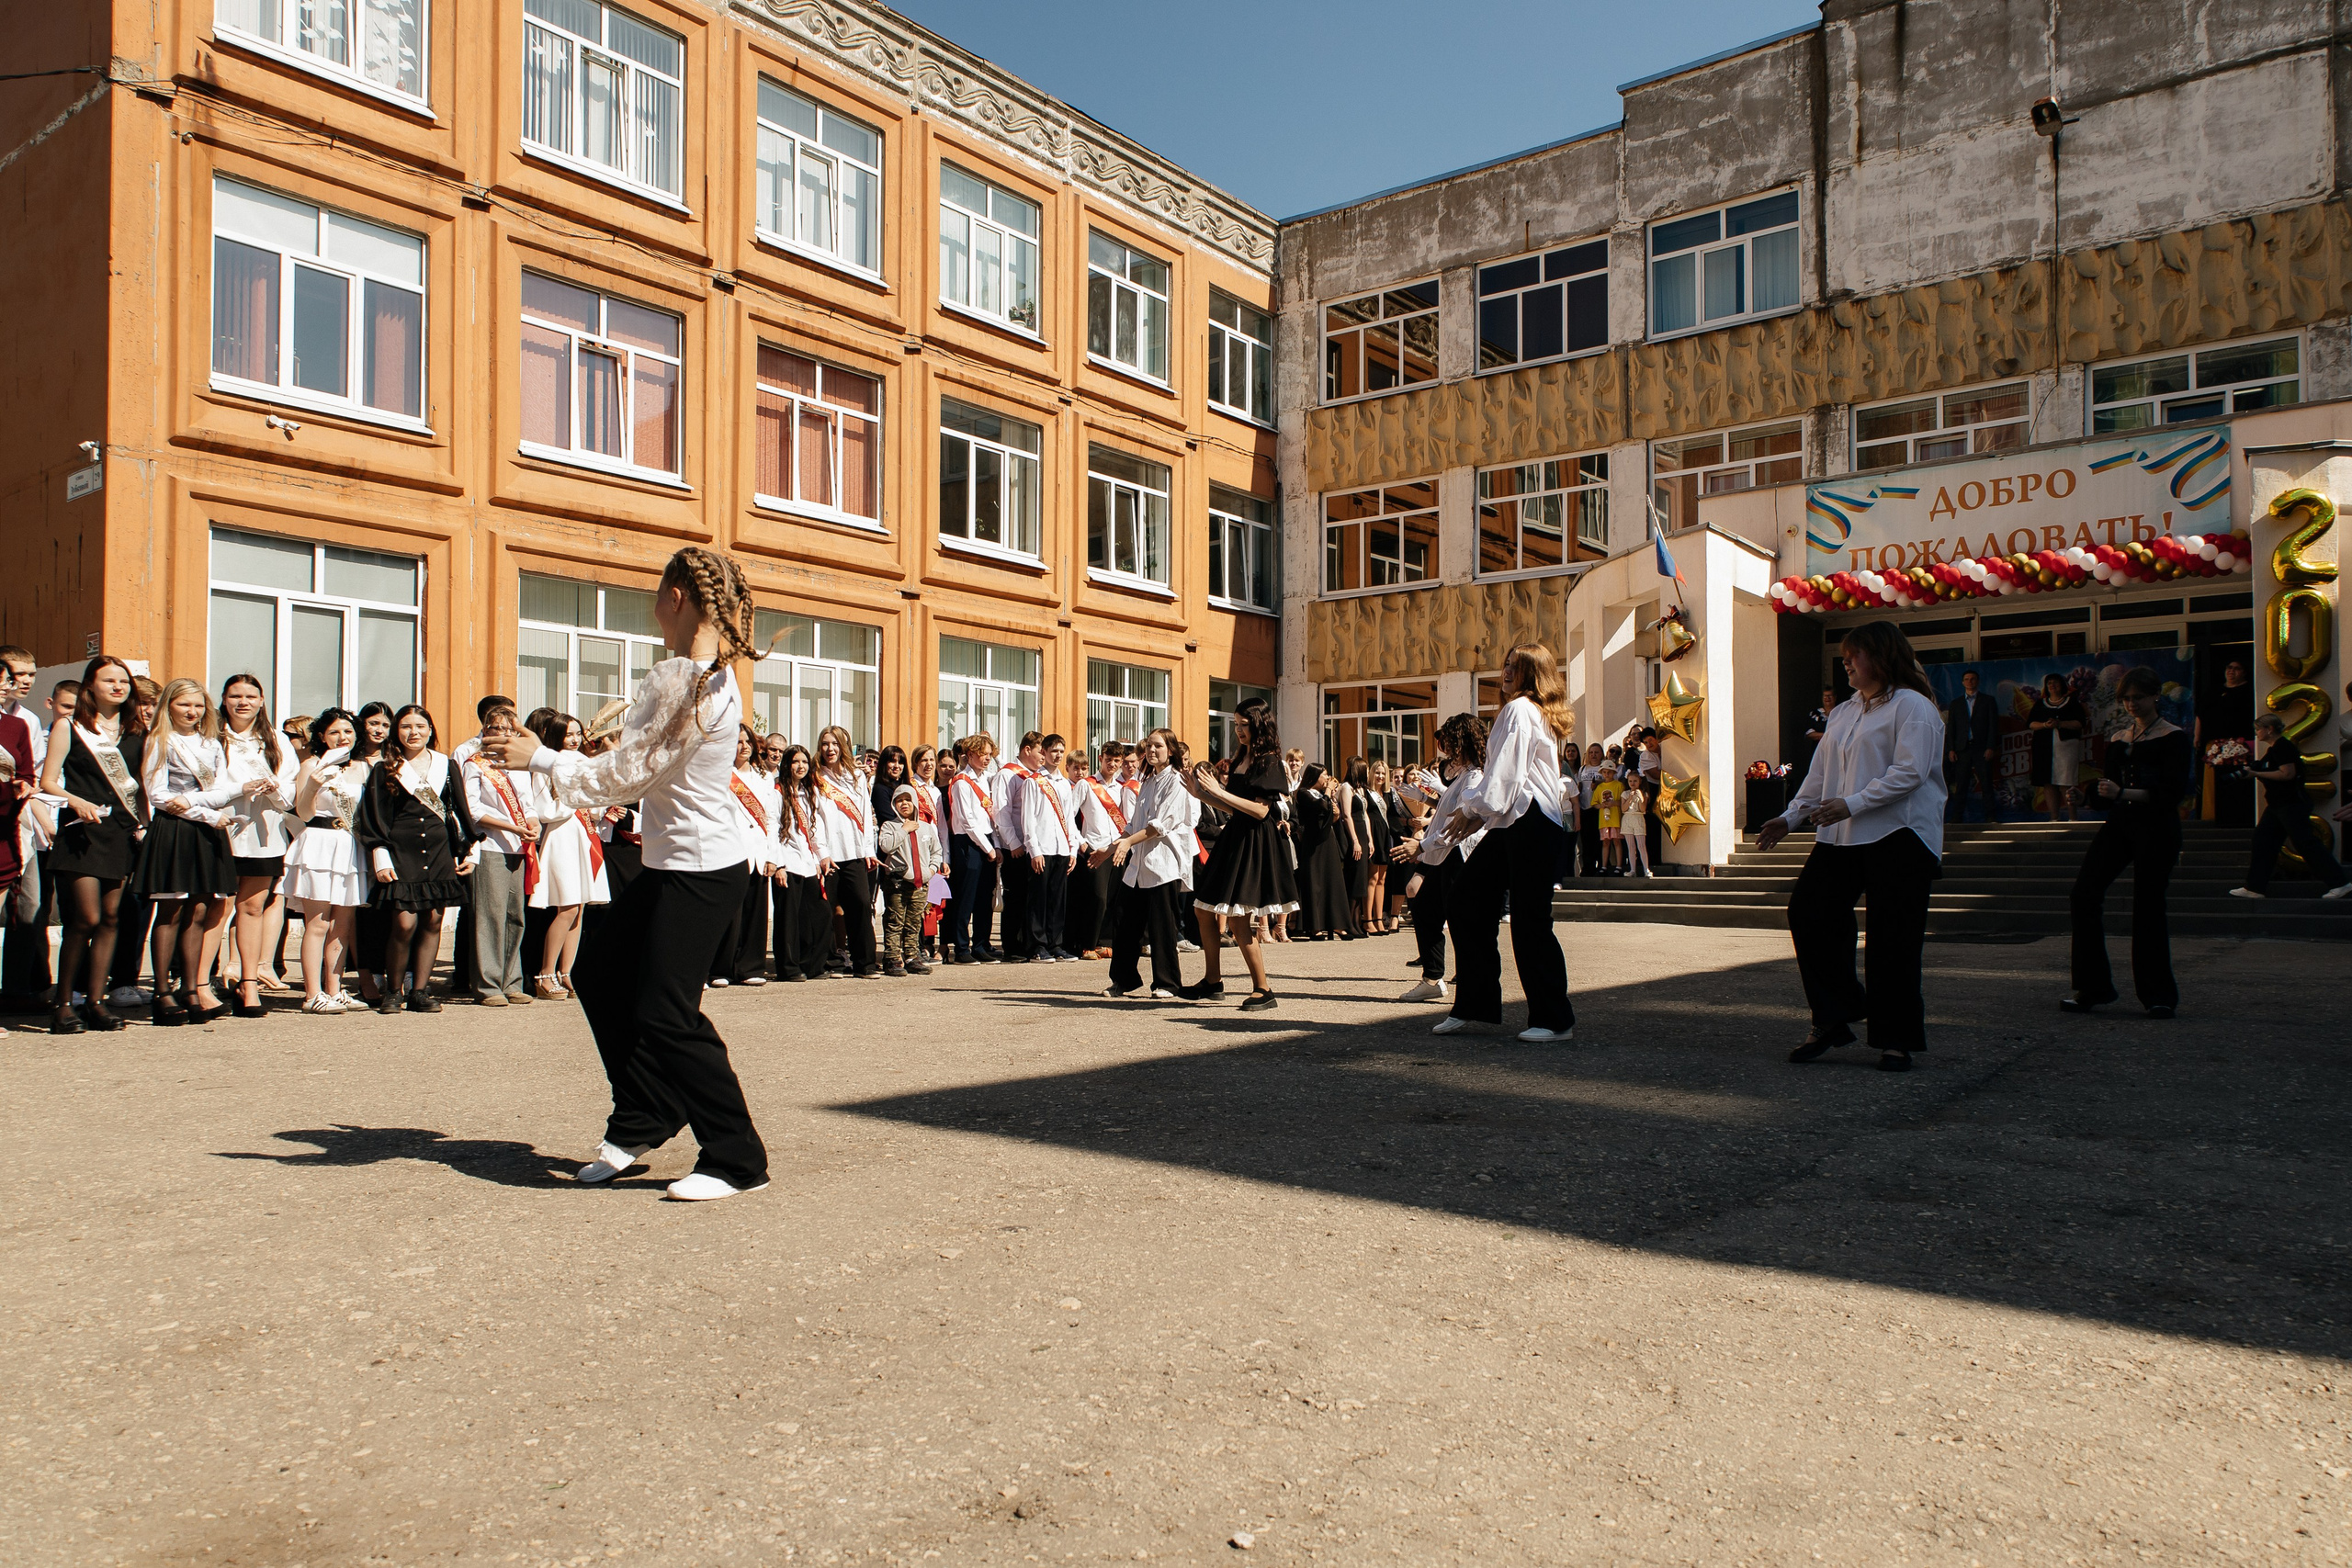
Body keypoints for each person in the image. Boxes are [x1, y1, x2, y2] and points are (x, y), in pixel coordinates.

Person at [487, 545, 773, 1201]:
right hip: (675, 859)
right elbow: (640, 769)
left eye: (657, 588)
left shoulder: (685, 679)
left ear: (676, 594)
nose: (652, 601)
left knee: (667, 1009)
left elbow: (624, 775)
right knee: (599, 966)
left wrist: (542, 759)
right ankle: (645, 1113)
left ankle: (736, 1155)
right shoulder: (701, 676)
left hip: (700, 868)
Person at [1761, 620, 1948, 1069]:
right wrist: (1790, 817)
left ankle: (1896, 1038)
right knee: (1809, 912)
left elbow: (1910, 773)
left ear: (1881, 657)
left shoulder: (1913, 708)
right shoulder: (1843, 712)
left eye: (1853, 655)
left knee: (1893, 939)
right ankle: (1835, 1016)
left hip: (1900, 835)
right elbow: (1819, 778)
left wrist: (1853, 803)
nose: (1845, 663)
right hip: (1841, 834)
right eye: (1844, 656)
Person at [1431, 643, 1576, 1043]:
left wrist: (1472, 809)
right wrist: (1480, 811)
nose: (1507, 670)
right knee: (1466, 902)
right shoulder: (1527, 712)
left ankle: (1554, 1018)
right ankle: (1475, 1004)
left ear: (1534, 673)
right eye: (1506, 663)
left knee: (1529, 920)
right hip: (1515, 822)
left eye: (1517, 666)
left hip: (1528, 822)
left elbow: (1506, 777)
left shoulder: (1520, 710)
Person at [2065, 665, 2191, 1018]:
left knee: (2149, 905)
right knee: (2084, 893)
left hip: (2158, 827)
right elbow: (2109, 791)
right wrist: (2086, 796)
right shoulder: (2121, 739)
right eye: (2126, 699)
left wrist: (2124, 793)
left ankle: (2158, 995)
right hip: (2121, 824)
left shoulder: (2173, 737)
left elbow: (2172, 793)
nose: (2132, 704)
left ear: (2155, 696)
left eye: (2138, 697)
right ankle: (2093, 986)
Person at [130, 678, 250, 1025]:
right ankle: (162, 991)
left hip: (206, 832)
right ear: (169, 705)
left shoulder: (211, 744)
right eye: (184, 704)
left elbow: (222, 790)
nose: (192, 712)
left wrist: (210, 811)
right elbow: (158, 794)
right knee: (170, 910)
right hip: (175, 829)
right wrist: (207, 814)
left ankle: (190, 987)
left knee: (200, 908)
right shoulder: (159, 740)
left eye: (198, 705)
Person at [41, 657, 146, 1033]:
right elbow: (48, 781)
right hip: (81, 832)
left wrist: (143, 824)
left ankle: (97, 1003)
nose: (118, 687)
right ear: (91, 686)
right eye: (109, 680)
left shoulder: (136, 732)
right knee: (84, 919)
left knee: (112, 918)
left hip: (120, 833)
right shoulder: (69, 727)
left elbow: (141, 785)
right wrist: (75, 800)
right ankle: (65, 1003)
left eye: (123, 681)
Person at [354, 704, 476, 1015]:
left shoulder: (445, 765)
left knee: (433, 920)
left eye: (420, 726)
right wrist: (380, 855)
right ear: (397, 731)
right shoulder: (386, 768)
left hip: (439, 852)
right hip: (400, 851)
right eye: (406, 726)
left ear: (430, 730)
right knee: (404, 923)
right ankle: (394, 991)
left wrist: (469, 850)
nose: (414, 732)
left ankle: (420, 991)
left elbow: (459, 810)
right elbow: (374, 815)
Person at [1181, 697, 1296, 1010]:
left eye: (1243, 725)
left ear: (1259, 724)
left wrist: (1218, 791)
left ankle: (1264, 989)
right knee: (1203, 910)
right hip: (1236, 836)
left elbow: (1261, 811)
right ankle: (1212, 981)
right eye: (1235, 725)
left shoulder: (1269, 760)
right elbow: (1233, 806)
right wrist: (1203, 794)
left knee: (1238, 918)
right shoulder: (1242, 755)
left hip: (1254, 841)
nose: (1238, 731)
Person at [1393, 713, 1487, 1004]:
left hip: (1457, 855)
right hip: (1442, 853)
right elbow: (1450, 811)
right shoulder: (1464, 774)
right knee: (1423, 905)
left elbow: (1460, 825)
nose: (1444, 748)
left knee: (1459, 918)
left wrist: (1420, 847)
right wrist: (1427, 799)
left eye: (1448, 741)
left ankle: (1472, 987)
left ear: (1462, 742)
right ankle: (1433, 979)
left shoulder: (1474, 776)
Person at [217, 673, 298, 1011]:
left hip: (264, 834)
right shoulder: (213, 738)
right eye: (235, 695)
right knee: (216, 910)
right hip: (221, 832)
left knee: (252, 907)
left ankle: (249, 983)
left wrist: (274, 788)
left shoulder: (276, 739)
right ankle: (202, 982)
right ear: (224, 699)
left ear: (262, 701)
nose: (243, 702)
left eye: (251, 696)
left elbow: (291, 786)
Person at [283, 710, 369, 1013]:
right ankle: (312, 994)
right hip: (319, 844)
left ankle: (335, 990)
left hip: (349, 847)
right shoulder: (311, 764)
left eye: (347, 731)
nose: (342, 737)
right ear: (322, 736)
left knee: (342, 926)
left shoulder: (362, 767)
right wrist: (311, 786)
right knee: (317, 924)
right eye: (334, 732)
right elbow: (303, 813)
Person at [461, 703, 540, 1008]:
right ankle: (487, 984)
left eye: (510, 729)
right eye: (498, 728)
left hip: (519, 846)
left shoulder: (518, 764)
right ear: (485, 730)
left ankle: (512, 981)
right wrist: (511, 826)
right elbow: (473, 810)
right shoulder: (474, 763)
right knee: (489, 916)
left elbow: (528, 804)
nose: (504, 734)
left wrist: (530, 824)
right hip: (491, 846)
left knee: (515, 915)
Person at [527, 709, 610, 995]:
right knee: (567, 906)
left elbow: (597, 804)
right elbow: (544, 810)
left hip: (585, 835)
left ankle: (567, 972)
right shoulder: (544, 765)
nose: (574, 739)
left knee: (581, 907)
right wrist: (575, 799)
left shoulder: (584, 761)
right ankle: (545, 974)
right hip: (562, 834)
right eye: (567, 734)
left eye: (577, 733)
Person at [1104, 728, 1192, 998]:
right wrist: (1108, 850)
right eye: (1149, 747)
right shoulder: (1148, 782)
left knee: (1162, 926)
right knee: (1125, 921)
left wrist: (1129, 843)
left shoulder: (1176, 782)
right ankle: (1124, 979)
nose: (1152, 751)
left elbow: (1159, 825)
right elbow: (1135, 824)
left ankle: (1167, 983)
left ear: (1171, 750)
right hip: (1139, 864)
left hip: (1163, 865)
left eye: (1158, 746)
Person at [2230, 714, 2352, 899]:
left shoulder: (2283, 747)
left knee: (2306, 843)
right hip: (2278, 805)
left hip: (2290, 804)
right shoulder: (2273, 750)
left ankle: (2340, 883)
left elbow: (2287, 774)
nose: (2257, 733)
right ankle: (2254, 887)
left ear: (2269, 729)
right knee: (2263, 842)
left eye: (2258, 729)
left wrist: (2256, 774)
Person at [714, 724, 780, 987]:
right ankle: (721, 968)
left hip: (759, 851)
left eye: (747, 742)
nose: (744, 747)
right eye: (738, 741)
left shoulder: (762, 778)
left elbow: (773, 819)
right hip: (730, 850)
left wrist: (773, 855)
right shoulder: (720, 776)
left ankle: (751, 966)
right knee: (729, 913)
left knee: (756, 911)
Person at [814, 724, 880, 978]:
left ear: (843, 747)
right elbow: (814, 817)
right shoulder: (816, 777)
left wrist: (867, 849)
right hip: (828, 854)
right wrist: (821, 852)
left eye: (834, 744)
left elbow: (864, 815)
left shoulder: (857, 777)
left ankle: (865, 963)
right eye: (825, 744)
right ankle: (832, 962)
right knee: (826, 909)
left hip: (854, 852)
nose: (829, 749)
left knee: (862, 905)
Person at [771, 742, 832, 983]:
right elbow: (771, 829)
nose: (801, 766)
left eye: (805, 762)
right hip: (787, 862)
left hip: (807, 862)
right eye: (796, 761)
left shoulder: (809, 794)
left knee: (819, 914)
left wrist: (822, 856)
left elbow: (814, 830)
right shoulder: (777, 793)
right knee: (788, 919)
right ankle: (788, 968)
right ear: (787, 765)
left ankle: (813, 965)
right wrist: (778, 864)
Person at [348, 700, 397, 1003]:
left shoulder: (396, 761)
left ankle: (390, 973)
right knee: (358, 913)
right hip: (352, 844)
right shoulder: (346, 760)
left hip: (388, 847)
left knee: (387, 912)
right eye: (373, 723)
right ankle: (364, 976)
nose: (379, 730)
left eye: (385, 725)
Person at [943, 733, 1001, 963]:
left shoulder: (985, 779)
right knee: (966, 896)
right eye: (983, 754)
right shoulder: (961, 782)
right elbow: (967, 820)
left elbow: (990, 815)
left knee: (984, 897)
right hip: (968, 842)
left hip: (986, 840)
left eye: (989, 754)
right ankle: (961, 948)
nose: (987, 758)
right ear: (970, 755)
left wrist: (995, 845)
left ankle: (980, 944)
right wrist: (989, 848)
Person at [1022, 733, 1079, 962]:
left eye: (1061, 752)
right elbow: (1027, 819)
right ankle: (1037, 945)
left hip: (1062, 848)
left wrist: (1073, 848)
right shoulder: (1033, 782)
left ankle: (1056, 943)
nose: (1057, 755)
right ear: (1043, 753)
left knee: (1057, 898)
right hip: (1042, 847)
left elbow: (1070, 818)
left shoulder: (1065, 784)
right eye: (1053, 751)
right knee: (1039, 899)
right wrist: (1033, 849)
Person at [1068, 740, 1125, 959]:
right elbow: (1069, 816)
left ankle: (1104, 942)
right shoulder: (1087, 784)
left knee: (1112, 897)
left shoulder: (1121, 788)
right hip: (1094, 848)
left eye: (1116, 761)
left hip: (1115, 848)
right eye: (1108, 759)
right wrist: (1081, 841)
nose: (1112, 764)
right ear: (1100, 758)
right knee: (1096, 898)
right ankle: (1087, 944)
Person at [876, 782, 941, 976]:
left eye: (907, 800)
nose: (904, 804)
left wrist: (930, 870)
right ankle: (893, 957)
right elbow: (886, 846)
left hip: (921, 882)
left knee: (914, 921)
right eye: (899, 801)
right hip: (897, 882)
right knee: (895, 920)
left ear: (914, 802)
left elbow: (936, 851)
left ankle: (912, 955)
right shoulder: (890, 826)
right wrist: (904, 829)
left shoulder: (926, 827)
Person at [992, 733, 1040, 960]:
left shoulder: (1035, 777)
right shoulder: (1007, 774)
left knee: (1030, 897)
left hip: (1031, 846)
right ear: (1027, 749)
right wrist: (1013, 843)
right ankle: (1012, 946)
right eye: (1041, 751)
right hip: (1016, 847)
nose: (1043, 757)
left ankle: (1027, 943)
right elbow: (1002, 812)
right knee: (1015, 898)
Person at [2196, 656, 2257, 825]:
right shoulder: (2213, 691)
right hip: (2216, 744)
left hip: (2241, 744)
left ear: (2244, 672)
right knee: (2214, 783)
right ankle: (2213, 816)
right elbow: (2201, 715)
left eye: (2236, 668)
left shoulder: (2250, 691)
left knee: (2237, 781)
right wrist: (2197, 736)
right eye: (2228, 667)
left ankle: (2239, 816)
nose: (2231, 671)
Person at [2025, 673, 2086, 823]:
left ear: (2062, 685)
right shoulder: (2040, 704)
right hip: (2044, 747)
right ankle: (2054, 818)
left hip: (2066, 747)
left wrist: (2060, 724)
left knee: (2066, 782)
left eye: (2056, 683)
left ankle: (2073, 818)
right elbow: (2031, 724)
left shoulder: (2072, 703)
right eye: (2049, 683)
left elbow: (2079, 723)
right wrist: (2045, 725)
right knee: (2048, 782)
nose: (2052, 685)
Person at [1944, 668, 2000, 822]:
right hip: (1962, 748)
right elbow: (1952, 727)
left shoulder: (1988, 701)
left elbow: (1993, 726)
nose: (1970, 682)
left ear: (1978, 681)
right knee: (1961, 784)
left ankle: (1991, 817)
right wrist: (1951, 749)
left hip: (1981, 747)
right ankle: (1957, 817)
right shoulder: (1956, 703)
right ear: (1963, 683)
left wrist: (1991, 747)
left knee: (1986, 783)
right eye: (1967, 679)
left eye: (1973, 679)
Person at [1573, 741, 1605, 878]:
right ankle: (1588, 867)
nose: (1593, 755)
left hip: (1598, 808)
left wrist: (1599, 784)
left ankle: (1601, 866)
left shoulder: (1603, 769)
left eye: (1596, 752)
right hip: (1584, 807)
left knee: (1599, 839)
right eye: (1591, 752)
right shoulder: (1582, 769)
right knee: (1586, 841)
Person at [1592, 762, 1625, 872]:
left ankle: (1619, 865)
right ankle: (1604, 866)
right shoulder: (1600, 787)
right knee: (1605, 842)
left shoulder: (1619, 785)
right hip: (1604, 820)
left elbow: (1623, 802)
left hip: (1616, 819)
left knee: (1617, 841)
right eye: (1605, 772)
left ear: (1614, 773)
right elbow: (1594, 803)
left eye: (1609, 772)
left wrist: (1614, 803)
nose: (1607, 774)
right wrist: (1601, 805)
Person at [1620, 773, 1652, 878]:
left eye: (1635, 781)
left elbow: (1643, 809)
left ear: (1640, 782)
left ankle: (1646, 869)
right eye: (1630, 781)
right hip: (1628, 819)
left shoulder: (1644, 793)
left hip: (1638, 818)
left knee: (1641, 846)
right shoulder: (1625, 793)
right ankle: (1632, 869)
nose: (1632, 783)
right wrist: (1630, 798)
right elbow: (1623, 809)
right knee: (1631, 846)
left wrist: (1640, 797)